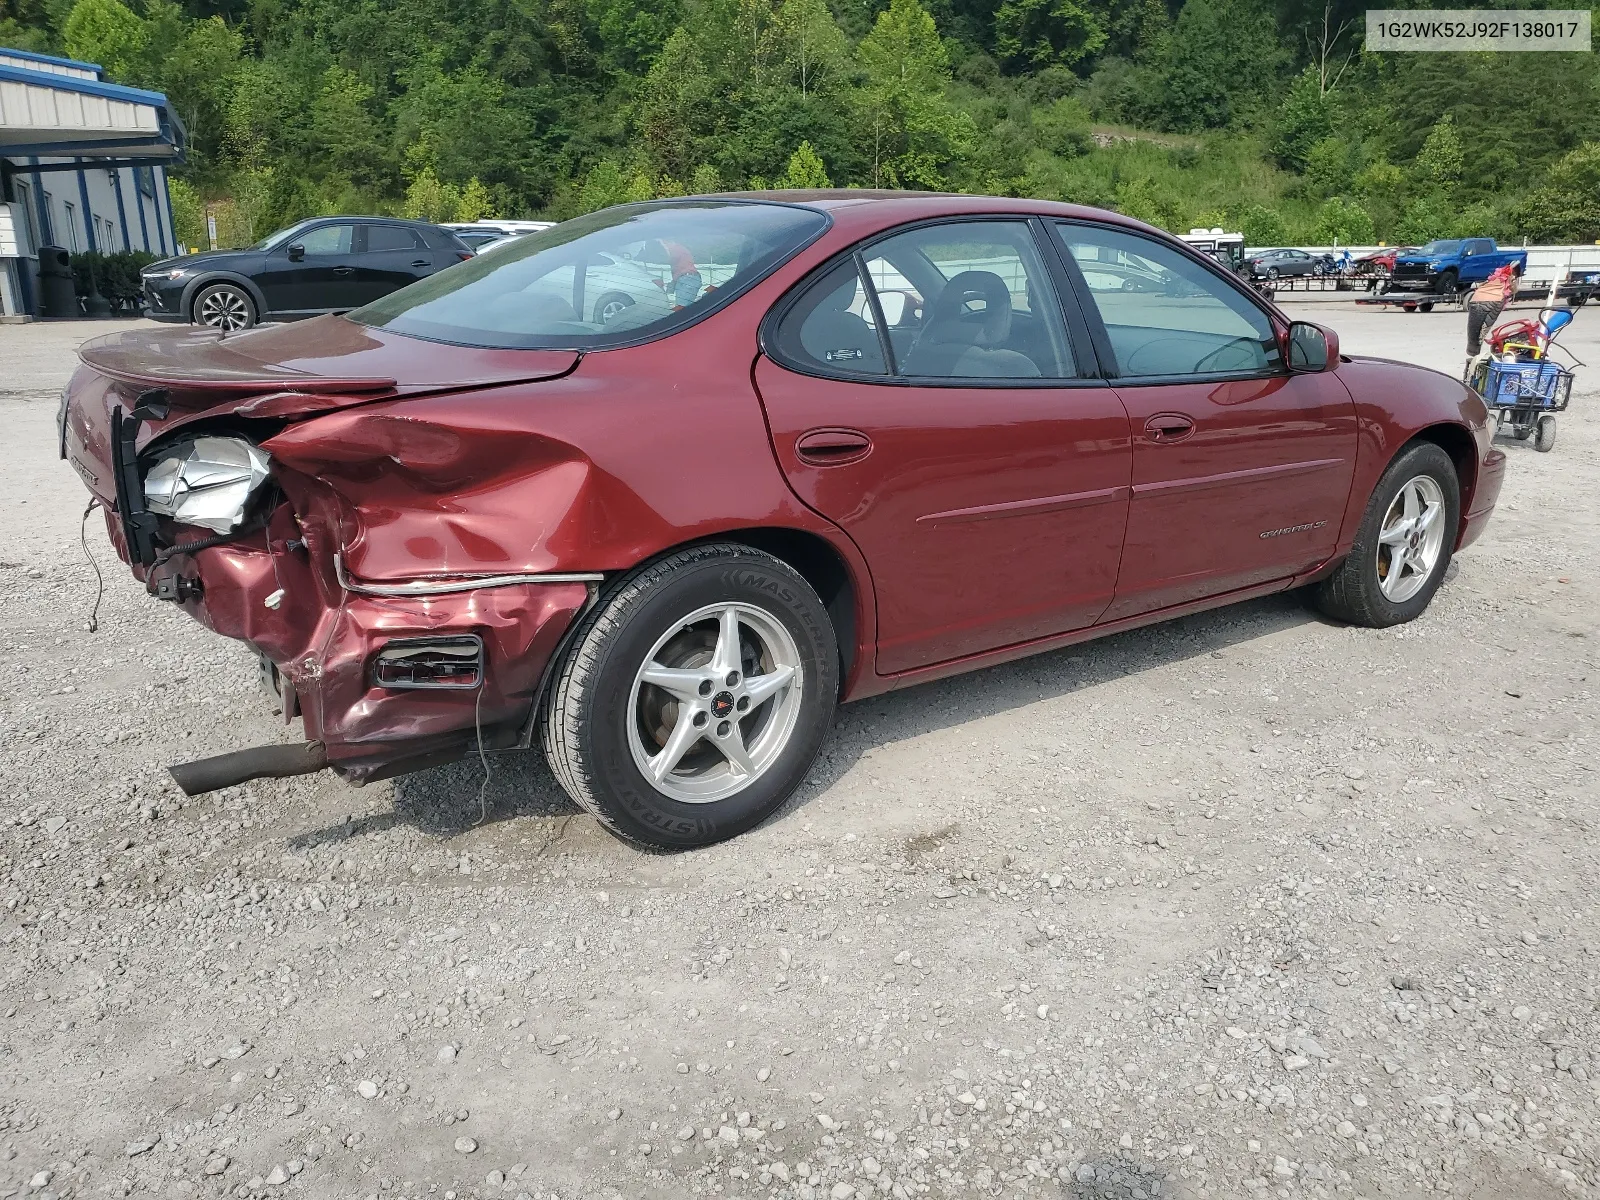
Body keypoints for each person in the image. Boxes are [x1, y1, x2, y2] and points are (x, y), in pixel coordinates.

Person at [1466, 263, 1518, 363]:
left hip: (1476, 299)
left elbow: (1482, 285)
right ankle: (1475, 355)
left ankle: (1472, 351)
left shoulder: (1495, 277)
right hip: (1494, 301)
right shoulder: (1510, 277)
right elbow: (1514, 290)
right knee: (1483, 329)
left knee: (1473, 329)